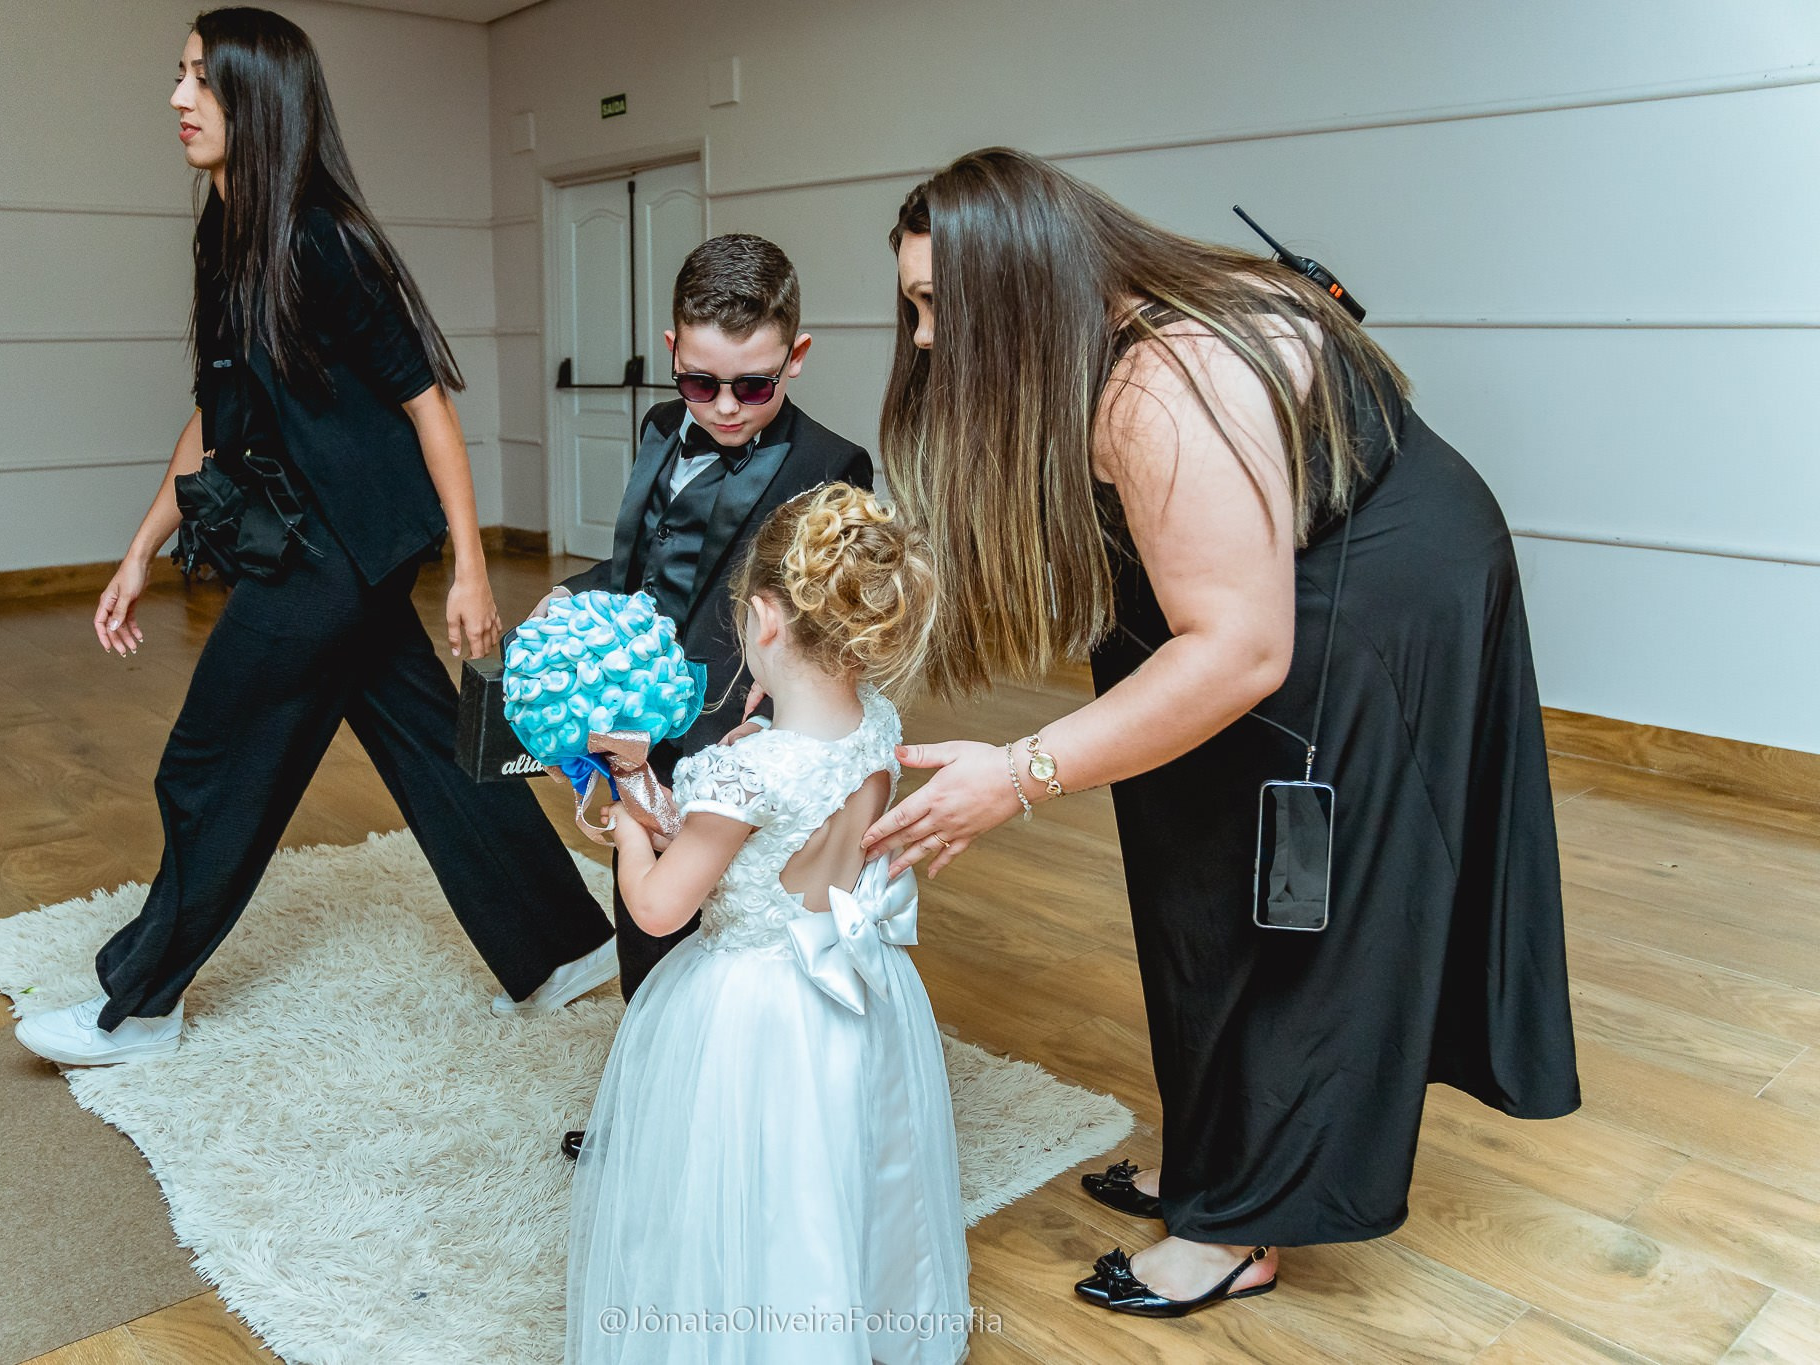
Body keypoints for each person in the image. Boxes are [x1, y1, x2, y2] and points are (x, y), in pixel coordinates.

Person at [862, 148, 1579, 1317]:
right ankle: (1216, 1156)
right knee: (1195, 877)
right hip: (1253, 590)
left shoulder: (1164, 387)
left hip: (1368, 599)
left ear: (1022, 284)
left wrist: (1022, 770)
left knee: (1293, 907)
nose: (927, 336)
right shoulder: (1100, 338)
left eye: (940, 302)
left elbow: (1241, 652)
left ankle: (1240, 1224)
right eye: (914, 305)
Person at [14, 7, 615, 1066]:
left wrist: (473, 572)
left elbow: (427, 404)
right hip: (324, 541)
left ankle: (140, 1006)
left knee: (211, 760)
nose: (178, 98)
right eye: (179, 74)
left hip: (339, 550)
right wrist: (141, 546)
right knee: (430, 745)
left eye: (201, 79)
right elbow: (216, 410)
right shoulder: (223, 233)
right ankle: (565, 944)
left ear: (258, 99)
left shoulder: (320, 239)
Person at [565, 484, 970, 1365]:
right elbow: (736, 830)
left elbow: (659, 905)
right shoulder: (877, 725)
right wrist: (644, 780)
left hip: (752, 1009)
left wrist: (628, 829)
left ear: (762, 619)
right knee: (830, 1174)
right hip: (854, 988)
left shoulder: (744, 771)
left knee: (743, 1185)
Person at [541, 234, 873, 1155]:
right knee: (641, 928)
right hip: (639, 718)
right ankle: (651, 1111)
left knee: (713, 940)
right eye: (700, 382)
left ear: (796, 356)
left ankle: (717, 1138)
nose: (724, 406)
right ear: (673, 351)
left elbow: (829, 624)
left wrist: (767, 736)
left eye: (753, 386)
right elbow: (646, 565)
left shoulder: (832, 466)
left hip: (736, 738)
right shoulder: (660, 429)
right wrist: (573, 596)